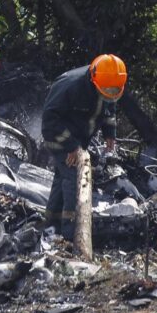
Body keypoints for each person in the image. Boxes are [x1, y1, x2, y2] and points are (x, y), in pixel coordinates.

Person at [39, 54, 126, 240]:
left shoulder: (107, 83)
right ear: (94, 79)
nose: (108, 93)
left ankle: (51, 226)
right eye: (106, 90)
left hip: (79, 140)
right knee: (75, 177)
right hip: (59, 137)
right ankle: (72, 234)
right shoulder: (71, 86)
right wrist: (71, 147)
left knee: (62, 177)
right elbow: (49, 120)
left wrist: (110, 132)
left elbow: (109, 106)